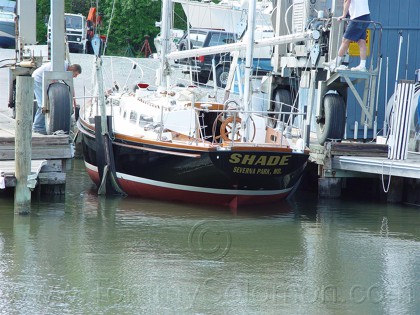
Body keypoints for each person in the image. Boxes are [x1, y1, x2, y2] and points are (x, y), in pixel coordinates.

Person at [32, 62, 82, 134]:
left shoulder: (65, 68)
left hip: (44, 79)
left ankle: (41, 126)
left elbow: (71, 86)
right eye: (76, 74)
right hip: (38, 79)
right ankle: (37, 127)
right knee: (43, 104)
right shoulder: (60, 66)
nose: (75, 76)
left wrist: (74, 104)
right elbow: (53, 81)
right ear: (72, 70)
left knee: (46, 103)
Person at [325, 0, 371, 72]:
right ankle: (362, 65)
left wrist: (343, 15)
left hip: (357, 17)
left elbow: (347, 1)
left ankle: (336, 62)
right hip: (366, 16)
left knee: (345, 40)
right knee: (361, 42)